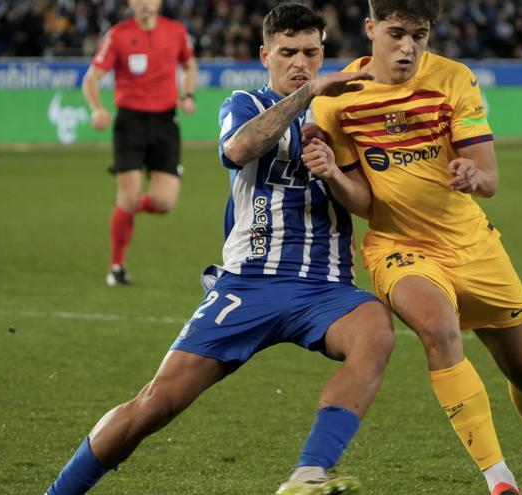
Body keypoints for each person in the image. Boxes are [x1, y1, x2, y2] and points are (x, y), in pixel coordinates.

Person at [45, 4, 394, 495]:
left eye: (311, 53)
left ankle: (308, 475)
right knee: (156, 404)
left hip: (326, 287)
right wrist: (306, 95)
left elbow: (365, 203)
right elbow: (239, 149)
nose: (300, 63)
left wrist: (334, 172)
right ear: (264, 55)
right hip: (250, 284)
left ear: (323, 52)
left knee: (375, 331)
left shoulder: (342, 117)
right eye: (288, 52)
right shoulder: (245, 102)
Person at [304, 1, 522, 494]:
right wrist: (332, 173)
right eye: (396, 33)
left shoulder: (454, 78)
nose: (408, 46)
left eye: (420, 34)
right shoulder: (337, 100)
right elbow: (365, 203)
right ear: (371, 28)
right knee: (439, 330)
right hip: (400, 247)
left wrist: (472, 173)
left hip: (471, 244)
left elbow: (490, 179)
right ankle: (498, 480)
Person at [82, 0, 198, 286]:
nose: (145, 3)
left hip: (165, 122)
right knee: (130, 193)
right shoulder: (118, 35)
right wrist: (96, 108)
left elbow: (189, 64)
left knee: (163, 202)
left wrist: (189, 94)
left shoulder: (176, 31)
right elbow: (92, 78)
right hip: (130, 123)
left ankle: (126, 206)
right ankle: (117, 266)